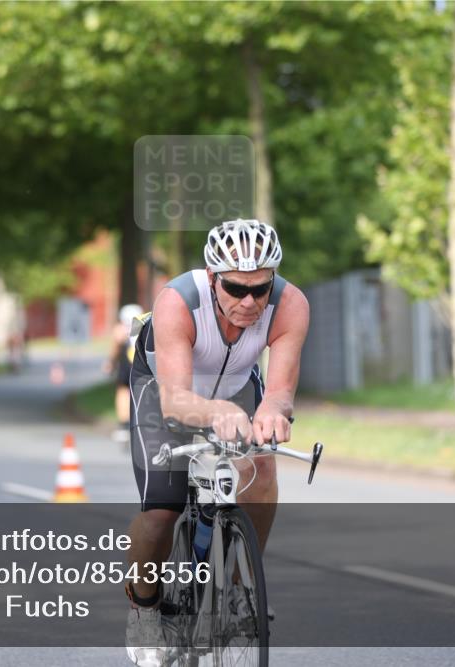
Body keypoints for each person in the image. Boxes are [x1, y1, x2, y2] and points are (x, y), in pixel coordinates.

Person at [124, 219, 309, 665]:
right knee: (160, 513)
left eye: (260, 289)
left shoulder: (291, 304)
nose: (249, 301)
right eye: (235, 288)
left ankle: (243, 584)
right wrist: (217, 412)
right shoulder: (177, 303)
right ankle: (146, 609)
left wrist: (272, 413)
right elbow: (175, 404)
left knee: (262, 465)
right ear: (212, 278)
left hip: (239, 385)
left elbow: (280, 391)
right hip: (166, 390)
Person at [107, 303, 144, 444]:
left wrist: (110, 362)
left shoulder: (120, 329)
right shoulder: (145, 325)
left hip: (127, 364)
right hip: (141, 363)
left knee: (123, 391)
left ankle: (123, 426)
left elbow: (115, 347)